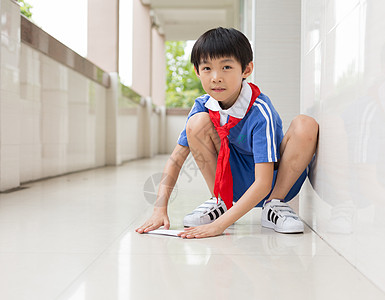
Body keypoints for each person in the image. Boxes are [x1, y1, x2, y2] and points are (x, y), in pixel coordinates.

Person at [136, 27, 318, 239]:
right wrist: (159, 209)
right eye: (207, 68)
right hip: (233, 183)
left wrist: (219, 226)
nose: (216, 78)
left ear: (246, 69)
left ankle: (273, 207)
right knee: (196, 124)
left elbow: (263, 183)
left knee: (306, 124)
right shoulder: (203, 106)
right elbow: (175, 160)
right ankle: (220, 200)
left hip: (273, 182)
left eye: (226, 67)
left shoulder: (260, 110)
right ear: (197, 71)